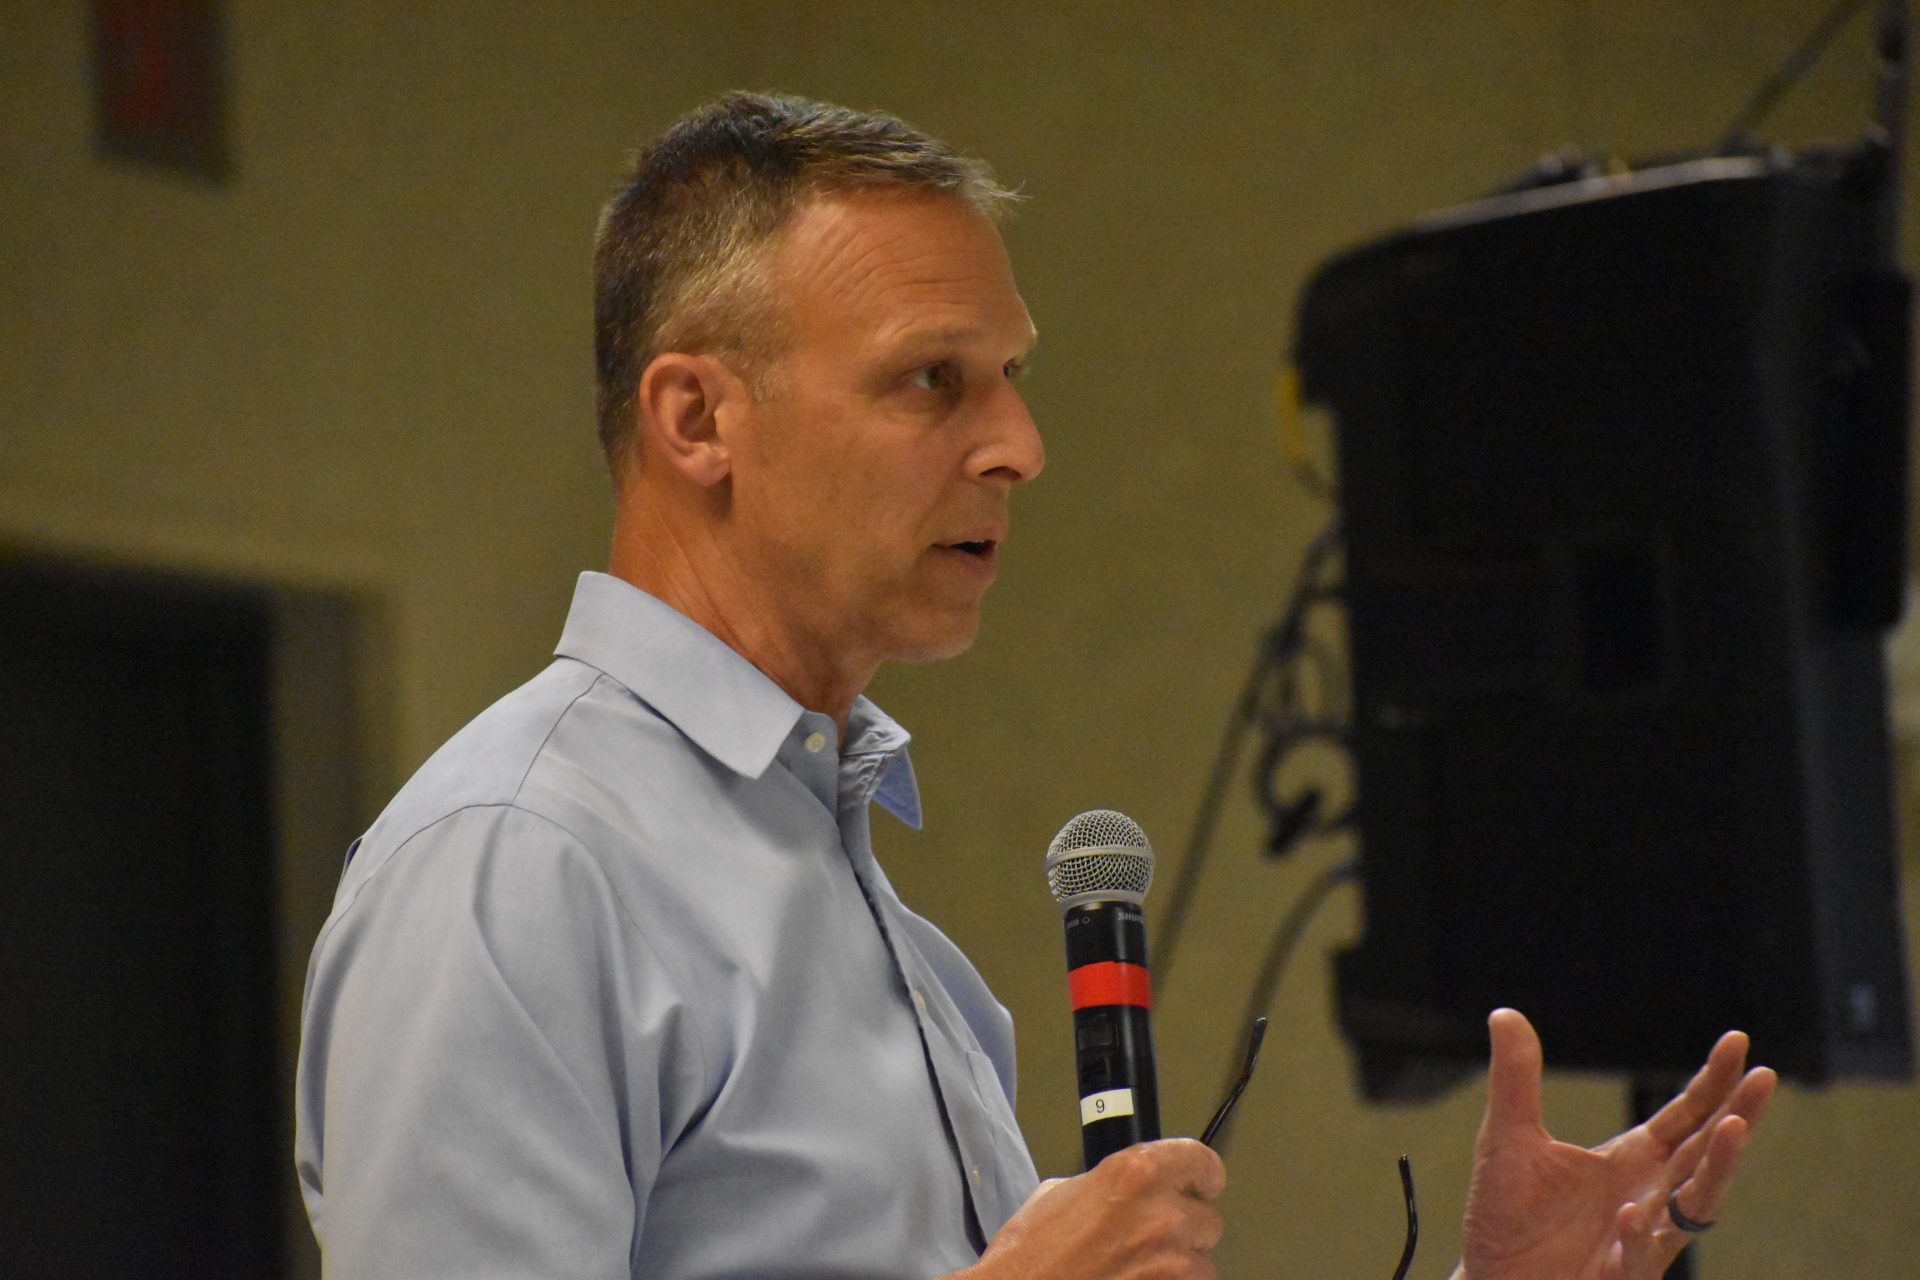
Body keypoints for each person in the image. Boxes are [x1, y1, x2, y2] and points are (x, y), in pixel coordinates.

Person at [294, 92, 1776, 1280]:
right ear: (697, 419)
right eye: (934, 378)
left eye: (1010, 375)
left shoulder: (892, 940)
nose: (1019, 445)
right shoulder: (516, 860)